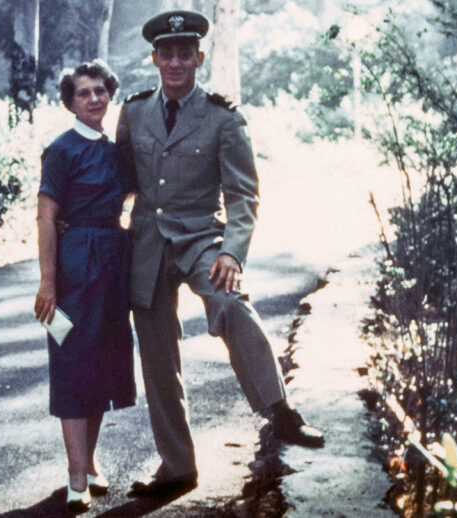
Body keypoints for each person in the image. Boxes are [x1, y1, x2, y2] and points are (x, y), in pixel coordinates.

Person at [116, 10, 325, 497]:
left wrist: (232, 251)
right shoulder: (132, 112)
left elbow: (244, 194)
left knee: (231, 303)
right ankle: (177, 466)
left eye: (184, 54)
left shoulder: (222, 116)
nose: (174, 62)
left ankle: (280, 412)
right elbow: (120, 179)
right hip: (146, 242)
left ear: (199, 58)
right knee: (157, 356)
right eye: (166, 54)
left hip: (199, 238)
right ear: (154, 59)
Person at [34, 60, 136, 512]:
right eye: (83, 93)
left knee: (103, 364)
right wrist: (48, 283)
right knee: (73, 363)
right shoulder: (61, 149)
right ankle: (76, 476)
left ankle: (90, 463)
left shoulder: (117, 150)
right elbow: (46, 217)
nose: (94, 99)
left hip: (114, 262)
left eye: (100, 91)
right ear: (70, 102)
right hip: (76, 266)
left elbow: (132, 194)